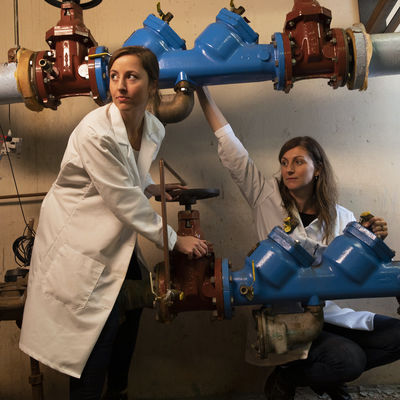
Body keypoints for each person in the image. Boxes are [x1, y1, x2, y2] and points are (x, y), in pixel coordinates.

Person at [19, 46, 208, 400]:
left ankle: (117, 392)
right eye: (115, 77)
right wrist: (172, 239)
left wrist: (152, 187)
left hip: (113, 234)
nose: (120, 86)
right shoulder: (95, 131)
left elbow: (127, 178)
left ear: (152, 86)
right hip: (80, 236)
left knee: (131, 312)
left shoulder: (152, 127)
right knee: (95, 338)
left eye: (132, 77)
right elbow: (122, 198)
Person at [196, 86, 400, 400]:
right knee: (349, 359)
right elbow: (231, 148)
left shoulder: (341, 217)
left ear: (318, 169)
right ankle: (290, 375)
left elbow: (359, 264)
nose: (288, 169)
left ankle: (326, 374)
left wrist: (375, 236)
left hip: (327, 315)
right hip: (285, 317)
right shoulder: (265, 196)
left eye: (298, 162)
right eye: (284, 162)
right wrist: (202, 92)